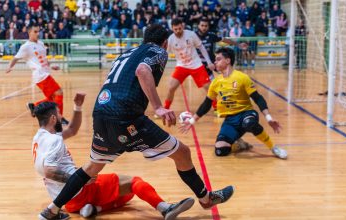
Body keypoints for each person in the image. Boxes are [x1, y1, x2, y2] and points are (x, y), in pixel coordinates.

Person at [38, 24, 234, 220]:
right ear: (165, 43)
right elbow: (142, 70)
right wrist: (158, 107)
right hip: (127, 116)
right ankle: (206, 198)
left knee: (90, 168)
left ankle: (52, 210)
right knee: (183, 153)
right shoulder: (159, 51)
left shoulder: (126, 53)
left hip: (100, 114)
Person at [32, 95, 195, 220]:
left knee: (126, 194)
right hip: (80, 192)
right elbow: (49, 171)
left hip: (67, 201)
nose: (61, 117)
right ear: (53, 118)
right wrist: (78, 180)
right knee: (133, 183)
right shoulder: (54, 140)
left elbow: (73, 130)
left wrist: (78, 106)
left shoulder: (40, 137)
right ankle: (165, 208)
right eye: (59, 114)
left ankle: (95, 209)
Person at [180, 47, 288, 159]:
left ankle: (273, 147)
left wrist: (269, 118)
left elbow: (258, 98)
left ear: (228, 60)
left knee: (249, 123)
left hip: (246, 113)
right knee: (220, 151)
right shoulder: (216, 82)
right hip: (230, 120)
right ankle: (240, 144)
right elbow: (207, 104)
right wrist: (192, 120)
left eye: (218, 59)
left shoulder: (242, 77)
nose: (215, 62)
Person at [6, 24, 68, 125]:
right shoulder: (25, 47)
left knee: (52, 98)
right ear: (29, 33)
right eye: (35, 32)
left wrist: (51, 66)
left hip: (45, 72)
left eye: (38, 31)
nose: (37, 33)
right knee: (59, 92)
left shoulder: (41, 43)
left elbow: (43, 60)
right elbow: (16, 58)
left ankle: (34, 106)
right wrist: (10, 67)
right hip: (40, 75)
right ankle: (59, 119)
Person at [163, 18, 216, 111]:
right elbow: (164, 54)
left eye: (180, 28)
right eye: (175, 29)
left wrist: (209, 62)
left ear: (182, 26)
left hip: (196, 65)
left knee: (209, 87)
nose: (178, 31)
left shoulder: (191, 34)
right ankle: (165, 108)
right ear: (172, 28)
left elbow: (201, 47)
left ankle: (217, 108)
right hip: (181, 66)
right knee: (171, 87)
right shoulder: (170, 40)